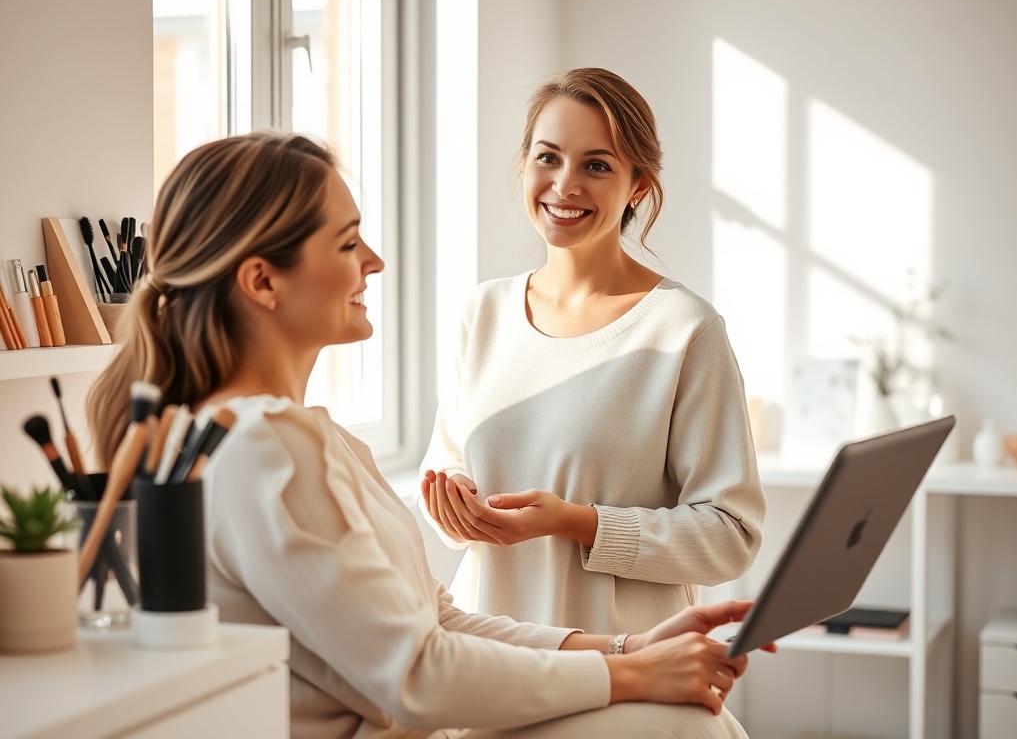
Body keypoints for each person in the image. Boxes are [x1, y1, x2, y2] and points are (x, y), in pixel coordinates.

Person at [86, 132, 771, 739]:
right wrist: (632, 677)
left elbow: (435, 618)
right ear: (263, 281)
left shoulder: (315, 438)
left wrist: (626, 650)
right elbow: (415, 672)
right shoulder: (263, 444)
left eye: (596, 164)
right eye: (348, 242)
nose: (375, 261)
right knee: (682, 725)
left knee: (688, 721)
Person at [419, 67, 767, 635]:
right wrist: (453, 499)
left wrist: (580, 524)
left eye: (597, 165)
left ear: (638, 186)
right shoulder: (481, 314)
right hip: (489, 667)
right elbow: (447, 465)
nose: (564, 186)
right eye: (547, 157)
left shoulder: (683, 330)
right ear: (525, 162)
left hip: (624, 669)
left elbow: (730, 537)